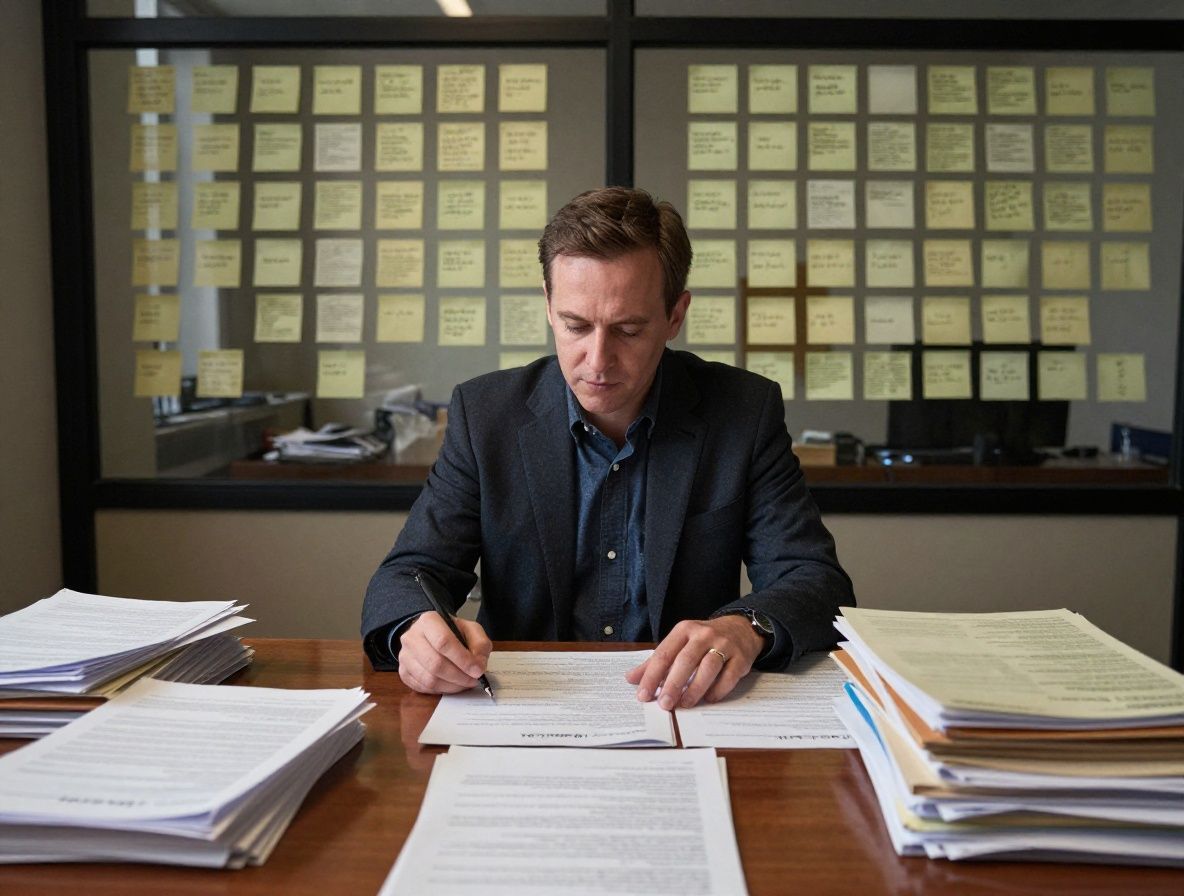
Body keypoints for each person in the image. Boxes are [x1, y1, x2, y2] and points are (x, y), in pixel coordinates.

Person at [362, 187, 854, 710]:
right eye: (576, 325)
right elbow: (410, 571)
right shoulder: (487, 416)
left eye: (628, 330)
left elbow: (816, 581)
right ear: (549, 308)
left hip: (684, 706)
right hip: (525, 708)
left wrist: (746, 627)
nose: (597, 360)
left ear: (675, 316)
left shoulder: (741, 413)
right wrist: (412, 631)